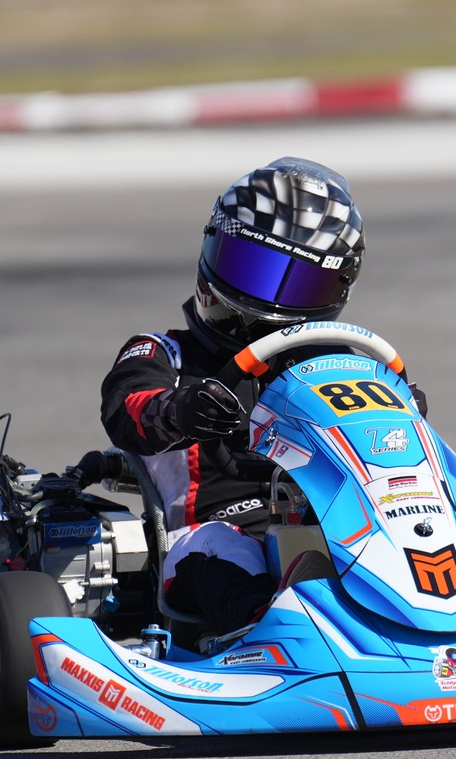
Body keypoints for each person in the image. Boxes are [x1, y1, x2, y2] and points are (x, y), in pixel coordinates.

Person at [98, 157, 419, 638]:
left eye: (299, 281)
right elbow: (127, 408)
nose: (266, 298)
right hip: (219, 525)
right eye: (254, 268)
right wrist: (180, 408)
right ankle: (271, 632)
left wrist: (404, 407)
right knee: (219, 551)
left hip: (339, 511)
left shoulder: (343, 360)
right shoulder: (166, 354)